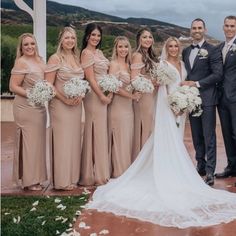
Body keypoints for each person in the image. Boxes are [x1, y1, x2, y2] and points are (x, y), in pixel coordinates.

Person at [85, 37, 236, 229]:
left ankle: (176, 169)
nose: (173, 48)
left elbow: (184, 84)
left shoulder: (182, 63)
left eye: (175, 46)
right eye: (170, 46)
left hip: (181, 107)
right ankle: (166, 172)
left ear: (179, 48)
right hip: (168, 107)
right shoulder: (162, 64)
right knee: (167, 139)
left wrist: (183, 104)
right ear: (166, 48)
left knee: (177, 140)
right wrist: (172, 106)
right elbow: (162, 88)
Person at [181, 18, 223, 186]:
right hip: (191, 100)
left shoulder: (212, 50)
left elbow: (217, 74)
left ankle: (211, 171)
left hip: (207, 99)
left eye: (199, 28)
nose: (196, 30)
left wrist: (196, 84)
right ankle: (201, 165)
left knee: (209, 135)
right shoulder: (185, 51)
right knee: (196, 135)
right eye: (194, 28)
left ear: (204, 30)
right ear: (190, 30)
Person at [45, 27, 84, 190]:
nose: (70, 41)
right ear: (61, 39)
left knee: (74, 140)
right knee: (62, 141)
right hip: (60, 105)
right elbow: (48, 84)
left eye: (73, 38)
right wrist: (64, 100)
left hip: (76, 105)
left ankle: (72, 177)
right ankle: (61, 181)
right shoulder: (55, 58)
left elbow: (83, 81)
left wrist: (82, 93)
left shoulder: (76, 57)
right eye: (67, 38)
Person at [9, 33, 47, 191]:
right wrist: (32, 94)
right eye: (26, 45)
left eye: (32, 44)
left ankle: (37, 177)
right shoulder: (21, 62)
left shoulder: (40, 60)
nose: (30, 47)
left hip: (39, 107)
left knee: (37, 143)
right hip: (25, 107)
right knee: (29, 143)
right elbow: (13, 86)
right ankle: (29, 180)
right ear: (21, 47)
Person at [79, 23, 112, 186]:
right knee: (94, 130)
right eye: (93, 35)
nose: (96, 38)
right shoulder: (86, 53)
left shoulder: (98, 52)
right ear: (87, 36)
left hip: (103, 94)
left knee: (100, 132)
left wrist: (110, 90)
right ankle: (91, 174)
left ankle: (101, 171)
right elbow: (90, 78)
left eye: (98, 35)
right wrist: (101, 96)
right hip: (94, 96)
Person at [108, 36, 141, 177]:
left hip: (129, 108)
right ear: (116, 48)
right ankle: (119, 173)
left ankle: (126, 170)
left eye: (126, 46)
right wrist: (132, 96)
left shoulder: (129, 65)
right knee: (119, 139)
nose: (123, 49)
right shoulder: (114, 64)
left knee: (127, 139)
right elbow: (113, 87)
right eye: (120, 46)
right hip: (118, 106)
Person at [131, 28, 159, 160]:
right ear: (139, 40)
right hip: (143, 97)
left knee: (150, 127)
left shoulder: (151, 55)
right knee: (144, 128)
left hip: (152, 95)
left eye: (150, 37)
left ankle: (148, 159)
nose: (148, 40)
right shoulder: (137, 55)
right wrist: (152, 81)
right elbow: (134, 79)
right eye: (144, 37)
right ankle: (141, 160)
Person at [215, 15, 236, 178]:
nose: (229, 29)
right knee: (227, 134)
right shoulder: (220, 47)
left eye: (232, 26)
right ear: (223, 27)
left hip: (235, 98)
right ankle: (231, 167)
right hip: (221, 99)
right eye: (227, 26)